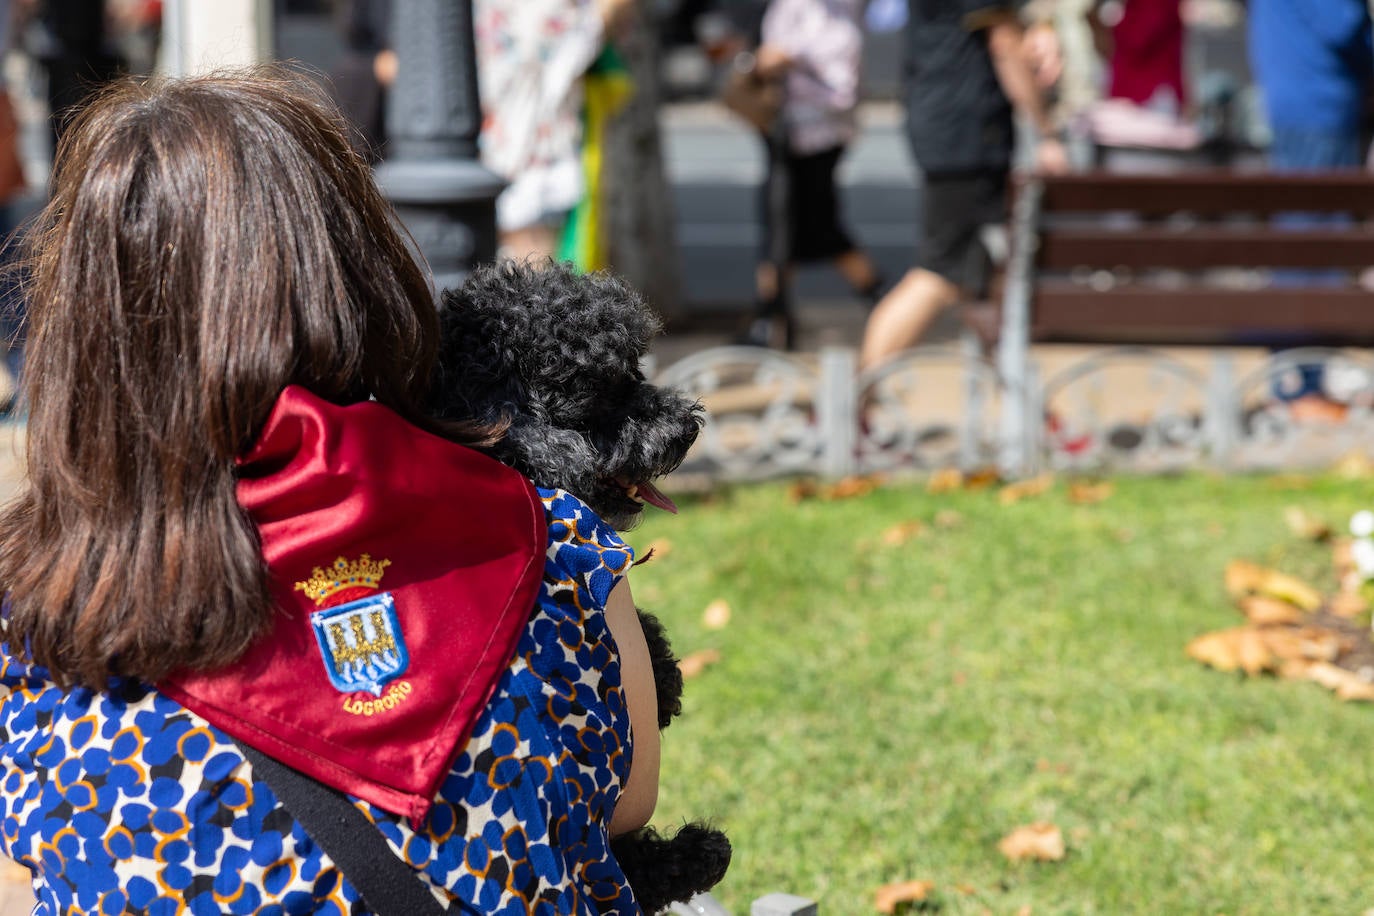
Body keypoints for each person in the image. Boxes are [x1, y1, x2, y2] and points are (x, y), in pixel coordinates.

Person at [0, 69, 659, 914]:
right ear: (357, 271)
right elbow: (630, 803)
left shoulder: (44, 627)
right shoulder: (547, 542)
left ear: (89, 335)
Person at [858, 0, 1068, 371]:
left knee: (976, 284)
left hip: (944, 124)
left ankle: (1026, 403)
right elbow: (1004, 45)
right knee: (940, 274)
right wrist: (1047, 130)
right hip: (968, 136)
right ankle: (855, 401)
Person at [1248, 0, 1372, 421]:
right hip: (1320, 105)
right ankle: (1302, 383)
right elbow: (1343, 27)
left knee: (1304, 241)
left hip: (1294, 102)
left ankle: (1300, 378)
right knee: (1316, 245)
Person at [738, 0, 882, 349]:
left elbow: (843, 88)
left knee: (815, 227)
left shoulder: (838, 15)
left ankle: (878, 299)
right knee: (781, 226)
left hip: (819, 137)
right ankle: (772, 319)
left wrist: (790, 60)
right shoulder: (791, 7)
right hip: (783, 133)